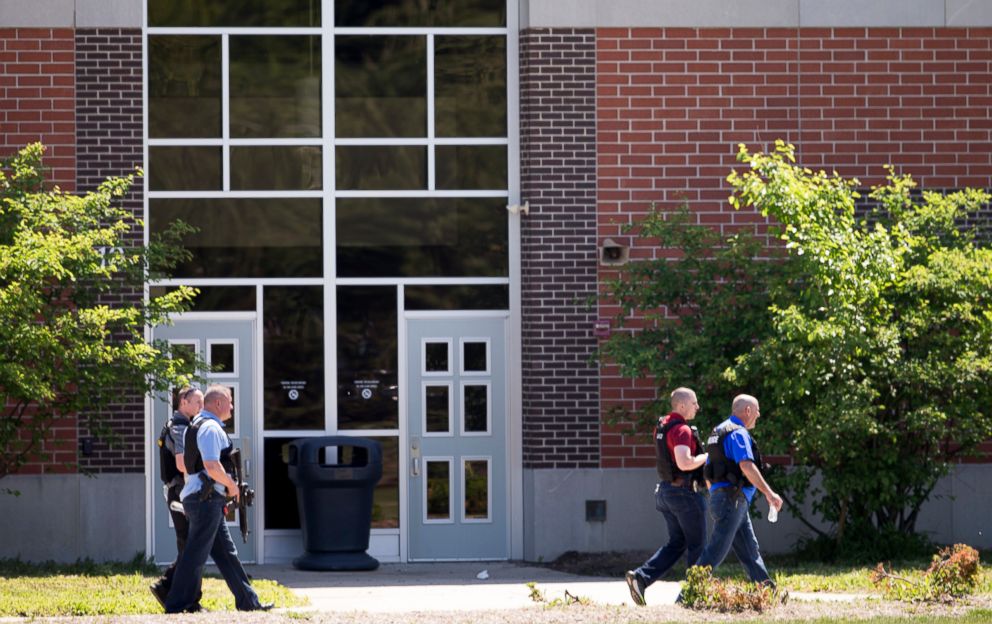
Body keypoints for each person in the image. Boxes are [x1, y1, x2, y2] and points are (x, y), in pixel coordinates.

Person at [163, 384, 272, 613]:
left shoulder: (198, 425)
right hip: (206, 499)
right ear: (219, 403)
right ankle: (176, 604)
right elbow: (212, 466)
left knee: (226, 554)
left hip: (206, 498)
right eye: (230, 402)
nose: (232, 407)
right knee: (195, 553)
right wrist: (232, 486)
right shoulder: (210, 428)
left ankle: (248, 601)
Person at [625, 387, 709, 606]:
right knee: (697, 545)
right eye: (694, 403)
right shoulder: (682, 429)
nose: (697, 407)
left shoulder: (662, 426)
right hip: (683, 495)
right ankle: (693, 595)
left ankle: (641, 578)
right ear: (682, 405)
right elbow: (684, 462)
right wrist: (706, 456)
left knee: (677, 543)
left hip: (665, 492)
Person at [693, 394, 783, 589]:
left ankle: (767, 591)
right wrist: (769, 493)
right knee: (716, 550)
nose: (758, 415)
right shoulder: (738, 432)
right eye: (757, 410)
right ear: (748, 411)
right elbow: (746, 466)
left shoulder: (718, 431)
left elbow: (708, 472)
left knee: (750, 551)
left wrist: (717, 495)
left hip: (727, 498)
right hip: (732, 499)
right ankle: (687, 593)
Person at [150, 387, 204, 610]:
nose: (201, 407)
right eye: (197, 403)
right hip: (182, 491)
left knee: (190, 545)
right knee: (192, 545)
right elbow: (182, 464)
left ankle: (173, 590)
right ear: (183, 402)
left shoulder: (176, 424)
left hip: (177, 491)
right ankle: (180, 594)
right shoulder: (181, 427)